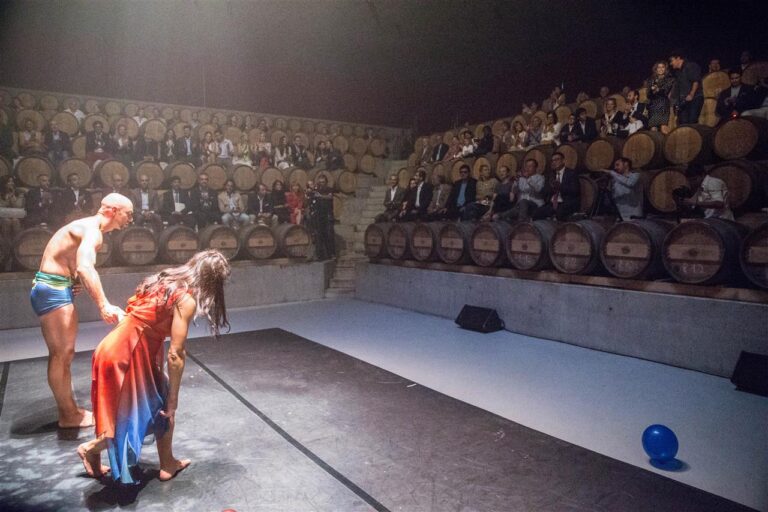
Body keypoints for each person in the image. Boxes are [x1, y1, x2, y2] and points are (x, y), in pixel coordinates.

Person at [77, 250, 230, 483]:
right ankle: (90, 449)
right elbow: (176, 354)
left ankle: (165, 462)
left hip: (115, 348)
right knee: (142, 412)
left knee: (149, 405)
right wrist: (175, 399)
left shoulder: (163, 281)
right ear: (213, 281)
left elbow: (136, 314)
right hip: (126, 355)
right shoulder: (185, 299)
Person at [31, 193, 133, 429]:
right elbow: (86, 267)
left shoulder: (87, 228)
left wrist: (71, 280)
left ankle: (70, 411)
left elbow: (69, 261)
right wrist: (104, 304)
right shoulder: (92, 231)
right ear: (112, 210)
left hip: (55, 287)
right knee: (61, 355)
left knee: (64, 355)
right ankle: (68, 416)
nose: (130, 218)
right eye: (128, 213)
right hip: (52, 290)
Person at [533, 151, 580, 221]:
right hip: (552, 203)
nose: (554, 162)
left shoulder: (571, 173)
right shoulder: (551, 175)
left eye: (557, 159)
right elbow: (544, 191)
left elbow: (575, 190)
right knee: (536, 213)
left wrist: (560, 187)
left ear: (563, 160)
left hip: (565, 203)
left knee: (559, 213)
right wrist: (549, 188)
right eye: (552, 161)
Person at [669, 50, 704, 125]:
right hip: (684, 101)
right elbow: (677, 88)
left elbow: (695, 81)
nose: (671, 63)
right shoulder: (678, 73)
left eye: (672, 61)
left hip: (695, 98)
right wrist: (671, 97)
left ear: (678, 58)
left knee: (692, 119)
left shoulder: (690, 66)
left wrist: (691, 94)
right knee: (683, 122)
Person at [307, 175, 335, 260]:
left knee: (329, 235)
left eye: (323, 182)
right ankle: (320, 255)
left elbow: (330, 197)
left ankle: (331, 254)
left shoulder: (329, 189)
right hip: (318, 215)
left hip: (327, 215)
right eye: (320, 182)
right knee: (319, 235)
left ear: (326, 182)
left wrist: (320, 196)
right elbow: (312, 199)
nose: (321, 184)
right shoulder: (316, 190)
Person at [646, 61, 675, 133]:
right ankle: (656, 144)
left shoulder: (669, 79)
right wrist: (652, 91)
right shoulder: (651, 80)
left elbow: (666, 91)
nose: (661, 69)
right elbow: (648, 95)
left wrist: (658, 90)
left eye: (663, 67)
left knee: (663, 127)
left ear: (665, 69)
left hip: (663, 105)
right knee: (653, 129)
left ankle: (668, 143)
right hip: (653, 106)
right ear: (656, 69)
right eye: (659, 67)